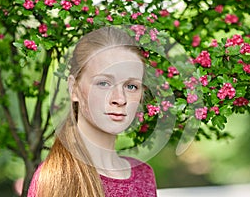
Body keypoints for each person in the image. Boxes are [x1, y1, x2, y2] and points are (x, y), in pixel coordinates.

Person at [27, 27, 157, 197]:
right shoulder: (53, 180)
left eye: (131, 86)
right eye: (103, 83)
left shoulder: (144, 176)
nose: (120, 99)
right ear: (74, 89)